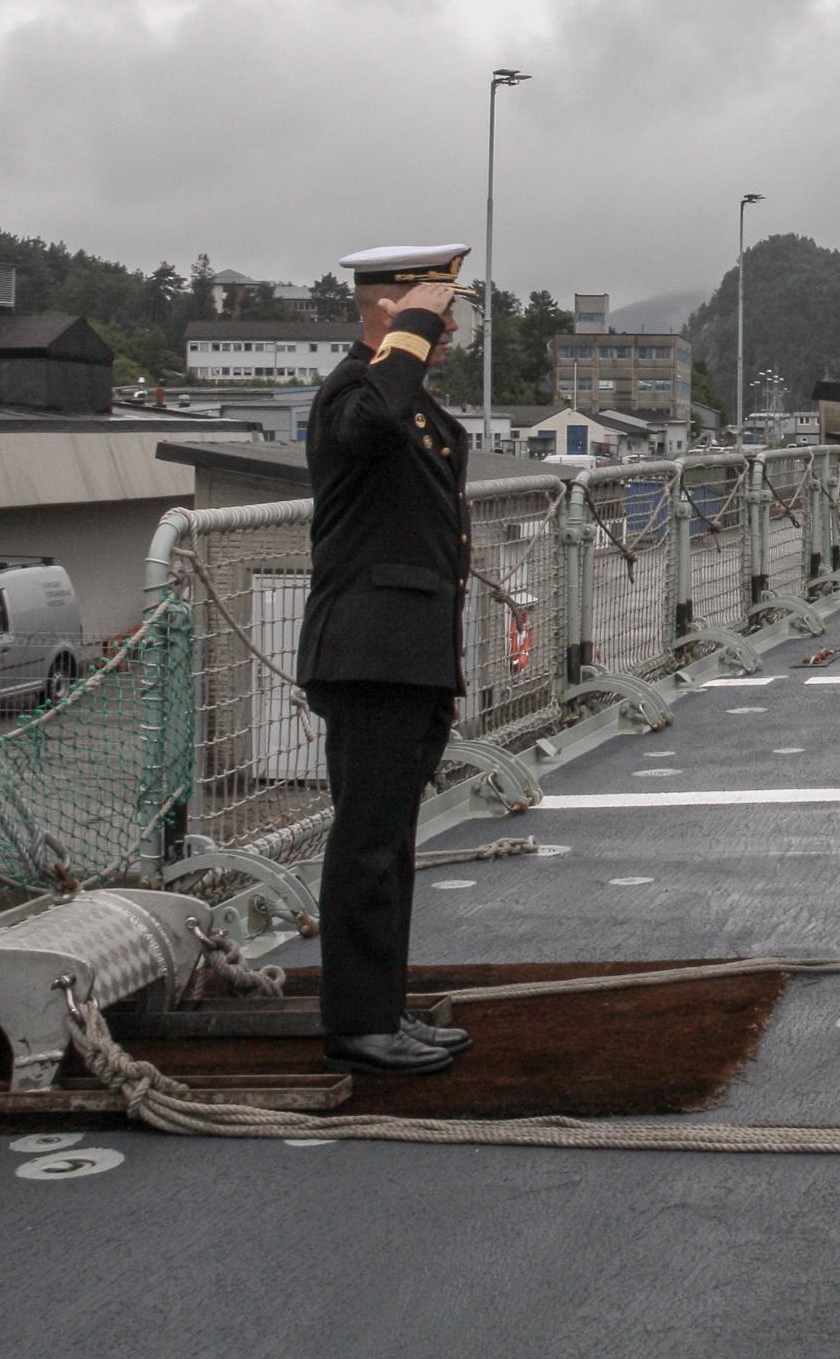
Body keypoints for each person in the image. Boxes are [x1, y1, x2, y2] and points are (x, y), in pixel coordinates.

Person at [296, 243, 480, 1077]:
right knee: (366, 845)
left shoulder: (414, 409)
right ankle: (358, 1025)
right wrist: (404, 328)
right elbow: (373, 420)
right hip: (371, 654)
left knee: (393, 844)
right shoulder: (352, 395)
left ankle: (383, 1007)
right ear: (385, 313)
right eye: (432, 315)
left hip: (410, 653)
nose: (446, 330)